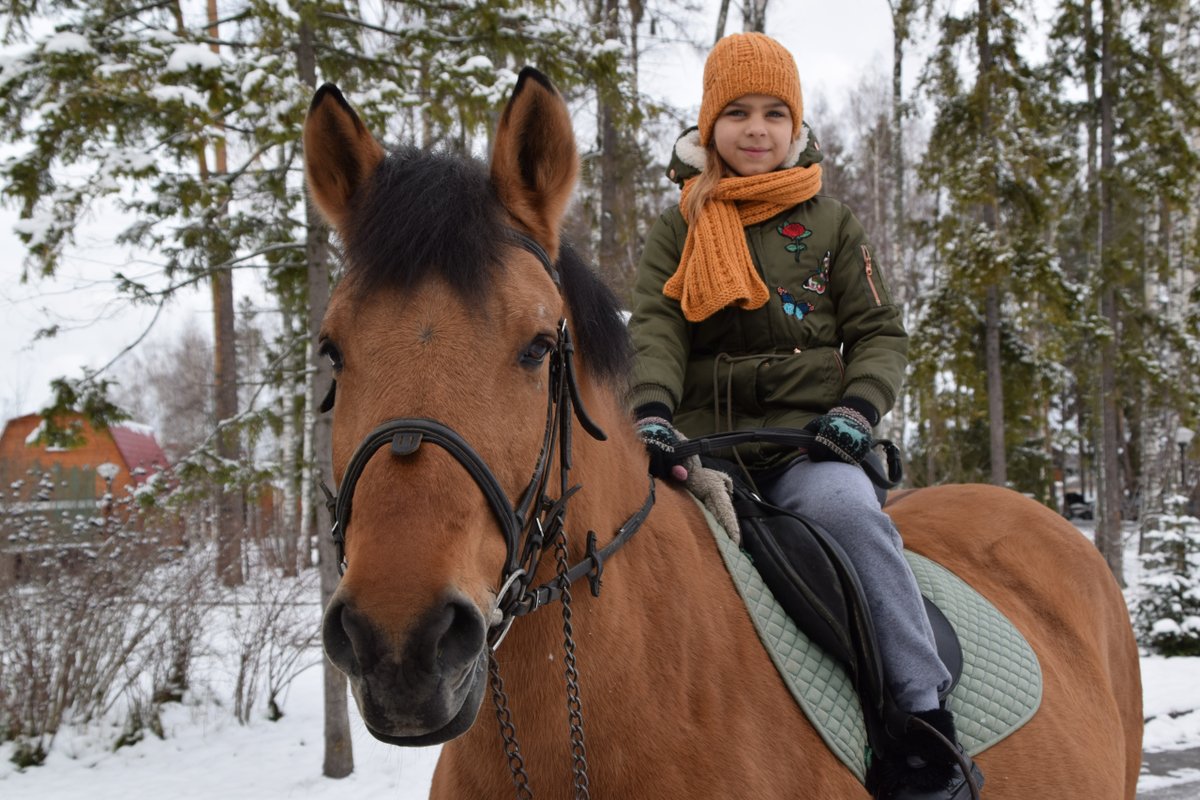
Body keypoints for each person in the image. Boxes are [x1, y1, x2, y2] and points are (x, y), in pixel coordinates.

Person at [626, 32, 982, 800]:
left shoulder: (832, 226)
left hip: (804, 446)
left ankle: (921, 719)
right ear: (709, 125)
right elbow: (655, 330)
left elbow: (881, 332)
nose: (757, 130)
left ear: (796, 127)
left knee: (849, 520)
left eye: (774, 114)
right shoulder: (677, 229)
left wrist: (857, 410)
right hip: (703, 448)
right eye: (739, 114)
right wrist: (650, 414)